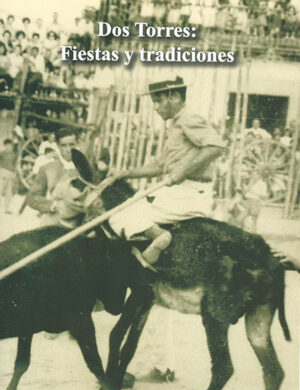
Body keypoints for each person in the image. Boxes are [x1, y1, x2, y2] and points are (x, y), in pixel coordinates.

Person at [109, 76, 226, 268]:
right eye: (154, 101)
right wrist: (124, 173)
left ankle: (160, 237)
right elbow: (159, 166)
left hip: (190, 194)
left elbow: (216, 146)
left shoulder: (188, 119)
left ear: (175, 97)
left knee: (118, 215)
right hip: (180, 192)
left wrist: (182, 172)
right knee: (129, 204)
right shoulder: (175, 124)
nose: (155, 107)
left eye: (158, 100)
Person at [27, 127, 83, 227]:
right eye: (63, 145)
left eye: (71, 145)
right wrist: (53, 205)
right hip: (54, 222)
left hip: (81, 224)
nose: (68, 149)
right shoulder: (47, 169)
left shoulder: (86, 168)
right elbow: (32, 198)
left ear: (77, 144)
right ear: (57, 145)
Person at [0, 138, 17, 213]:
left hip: (11, 174)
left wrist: (14, 173)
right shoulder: (2, 154)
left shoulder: (13, 154)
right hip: (3, 173)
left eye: (10, 145)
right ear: (5, 146)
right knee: (1, 190)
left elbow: (15, 164)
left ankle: (6, 209)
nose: (9, 147)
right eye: (7, 145)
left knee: (9, 193)